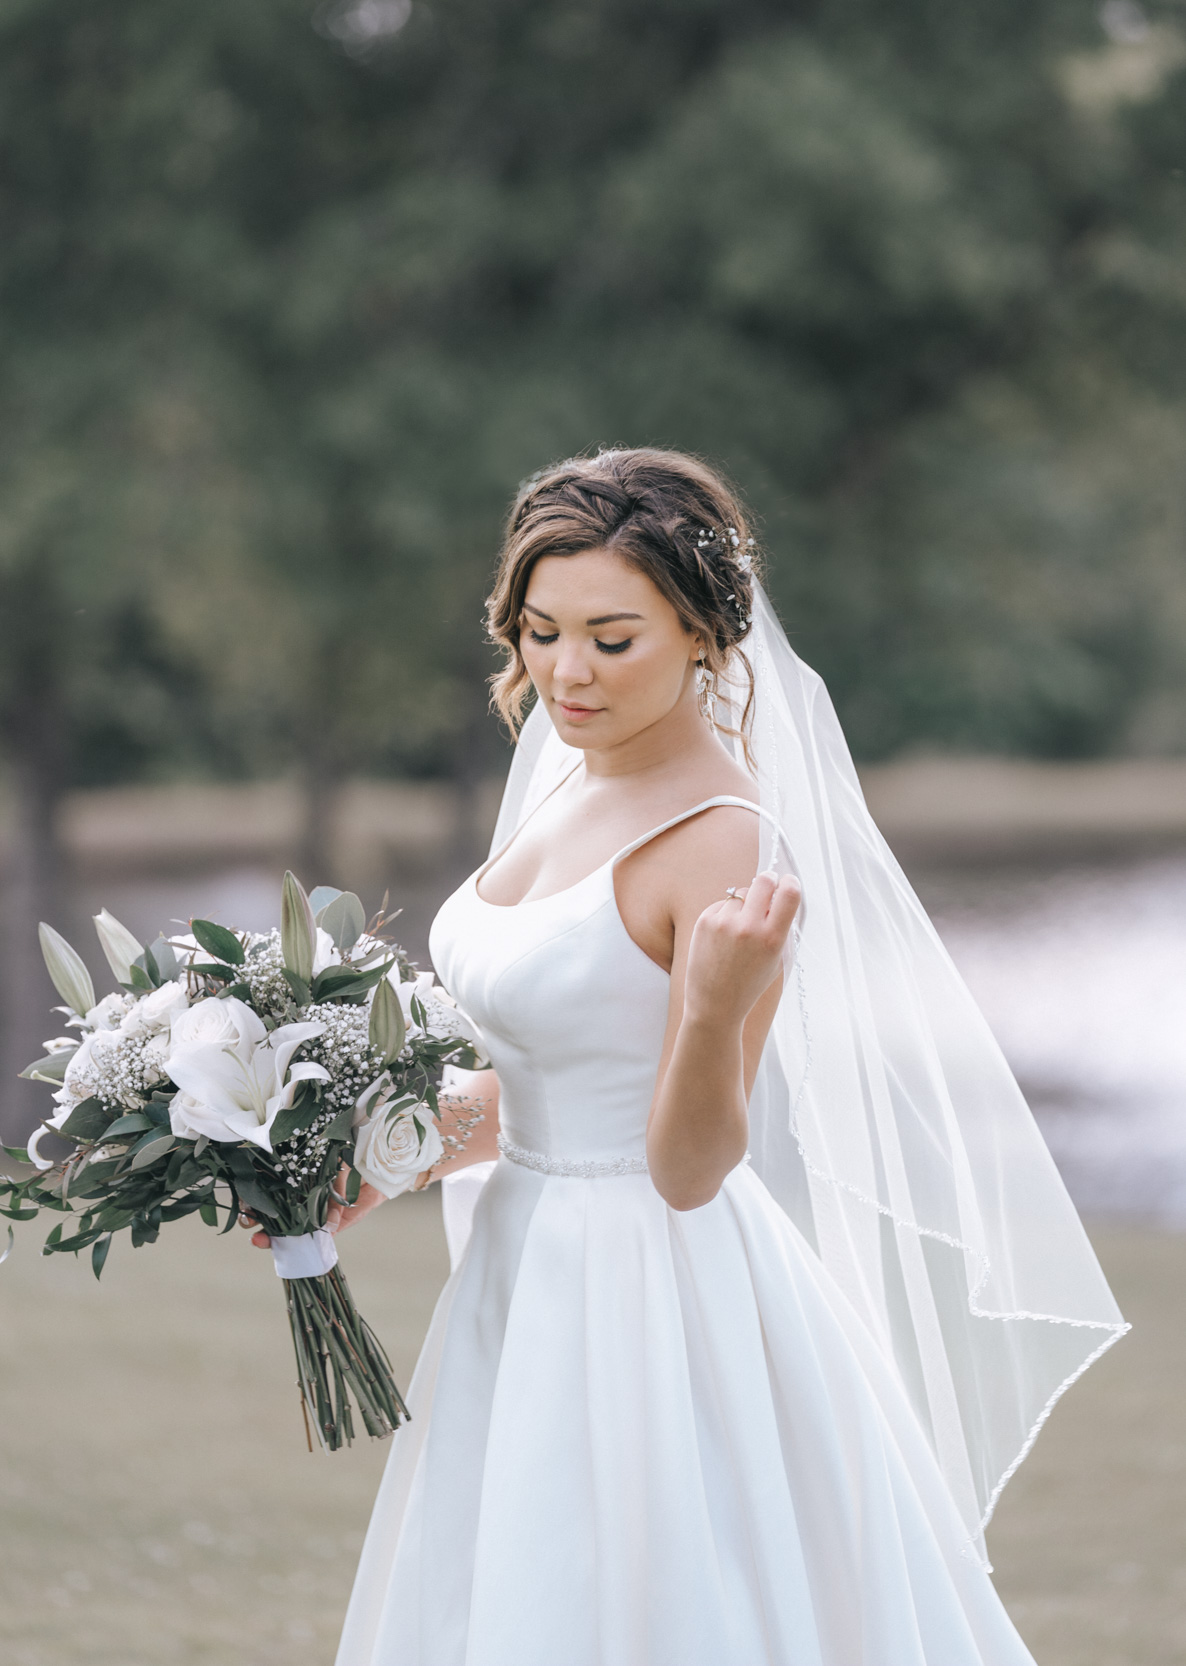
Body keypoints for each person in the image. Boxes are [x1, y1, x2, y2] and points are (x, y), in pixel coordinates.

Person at [271, 448, 1128, 1664]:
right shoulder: (568, 780)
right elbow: (545, 1087)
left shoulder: (724, 840)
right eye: (540, 629)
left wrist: (719, 1006)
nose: (566, 671)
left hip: (643, 1286)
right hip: (521, 1262)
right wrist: (364, 1159)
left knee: (641, 1594)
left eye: (612, 639)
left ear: (700, 633)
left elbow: (686, 1166)